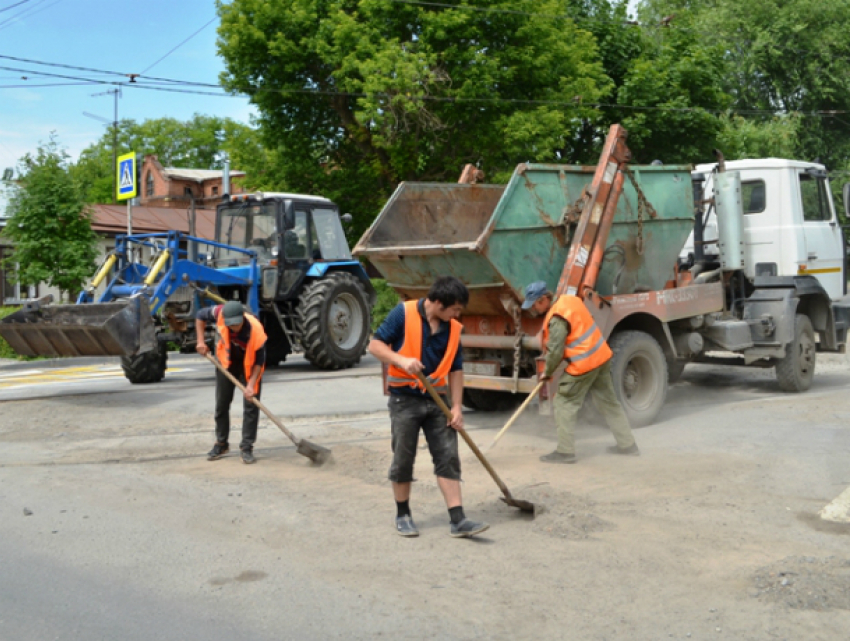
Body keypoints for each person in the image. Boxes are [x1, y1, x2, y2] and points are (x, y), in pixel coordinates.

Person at [369, 276, 490, 539]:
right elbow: (375, 345)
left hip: (438, 400)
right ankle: (403, 514)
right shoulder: (404, 313)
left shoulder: (453, 329)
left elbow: (457, 370)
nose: (458, 315)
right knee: (403, 458)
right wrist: (401, 360)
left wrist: (457, 406)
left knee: (448, 456)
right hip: (404, 399)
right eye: (455, 309)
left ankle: (458, 519)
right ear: (437, 303)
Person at [523, 280, 639, 464]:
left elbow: (555, 350)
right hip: (600, 357)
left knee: (563, 401)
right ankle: (628, 445)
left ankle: (565, 452)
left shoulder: (557, 317)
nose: (533, 310)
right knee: (609, 403)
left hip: (584, 363)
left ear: (544, 299)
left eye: (535, 305)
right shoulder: (570, 300)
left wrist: (548, 372)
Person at [195, 300, 268, 465]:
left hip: (249, 367)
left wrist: (250, 385)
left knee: (251, 406)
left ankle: (247, 447)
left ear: (243, 317)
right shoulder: (219, 312)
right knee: (221, 404)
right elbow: (199, 316)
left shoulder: (256, 331)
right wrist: (200, 341)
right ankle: (221, 444)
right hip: (226, 363)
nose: (234, 328)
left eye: (237, 324)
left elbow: (259, 362)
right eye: (231, 325)